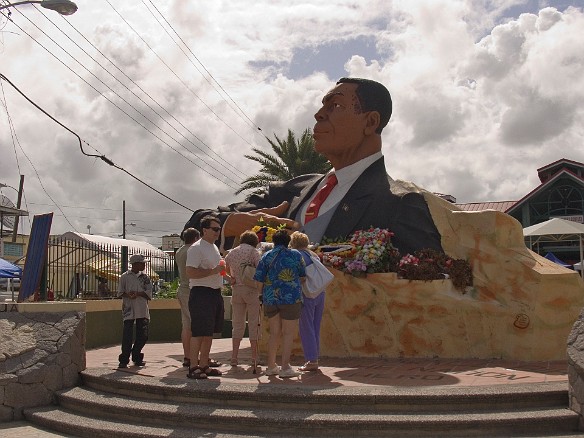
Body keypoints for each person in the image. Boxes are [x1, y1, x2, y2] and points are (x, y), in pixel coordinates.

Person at [183, 77, 443, 257]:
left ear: (370, 122)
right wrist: (231, 224)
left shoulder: (401, 204)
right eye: (322, 106)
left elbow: (427, 288)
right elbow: (195, 223)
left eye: (336, 106)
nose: (319, 114)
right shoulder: (296, 188)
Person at [253, 229, 305, 378]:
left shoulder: (266, 256)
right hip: (291, 298)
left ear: (274, 241)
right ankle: (285, 366)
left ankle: (271, 366)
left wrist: (261, 294)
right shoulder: (296, 255)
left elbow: (258, 279)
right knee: (288, 333)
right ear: (288, 241)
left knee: (274, 332)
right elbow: (303, 277)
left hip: (270, 298)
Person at [185, 215, 225, 379]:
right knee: (199, 332)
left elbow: (218, 270)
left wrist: (228, 277)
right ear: (205, 230)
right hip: (201, 293)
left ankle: (204, 364)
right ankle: (193, 366)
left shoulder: (213, 247)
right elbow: (190, 272)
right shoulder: (196, 248)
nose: (218, 232)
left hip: (215, 292)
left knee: (209, 332)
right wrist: (213, 271)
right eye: (215, 229)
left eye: (219, 229)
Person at [289, 231, 325, 372]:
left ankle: (311, 360)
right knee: (315, 326)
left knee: (306, 327)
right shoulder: (313, 255)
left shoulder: (297, 255)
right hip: (320, 292)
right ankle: (315, 357)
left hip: (307, 294)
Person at [224, 230, 261, 367]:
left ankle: (234, 357)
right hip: (251, 289)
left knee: (237, 324)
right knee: (253, 323)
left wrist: (230, 278)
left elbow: (223, 266)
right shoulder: (253, 252)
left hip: (236, 290)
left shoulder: (232, 252)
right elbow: (260, 268)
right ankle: (254, 357)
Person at [117, 254, 153, 368]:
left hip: (142, 309)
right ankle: (124, 358)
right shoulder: (125, 277)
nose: (144, 265)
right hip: (129, 309)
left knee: (143, 335)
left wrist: (138, 293)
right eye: (142, 263)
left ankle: (136, 354)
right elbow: (120, 292)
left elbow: (149, 293)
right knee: (127, 335)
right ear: (135, 264)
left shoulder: (145, 278)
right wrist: (128, 294)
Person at [175, 227, 200, 368]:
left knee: (186, 325)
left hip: (182, 288)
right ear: (196, 238)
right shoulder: (193, 250)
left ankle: (187, 356)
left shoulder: (179, 251)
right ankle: (197, 358)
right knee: (197, 325)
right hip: (192, 289)